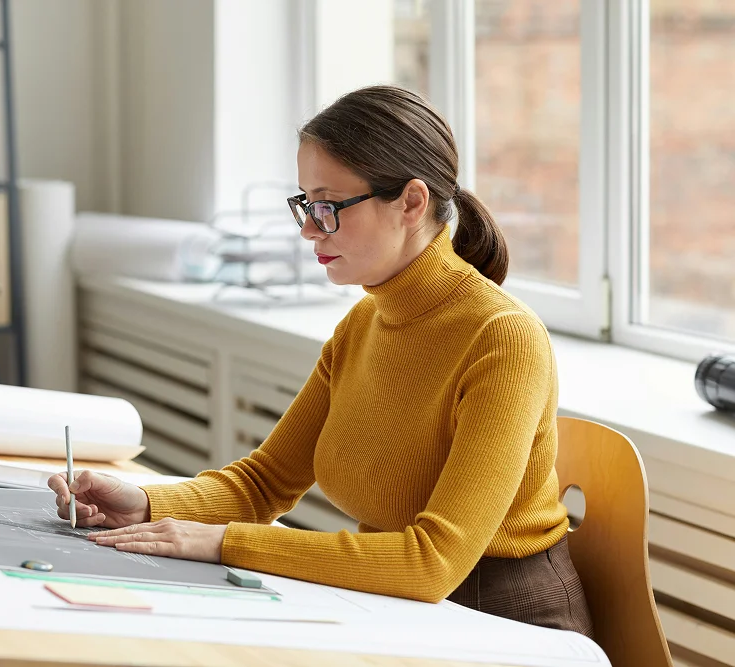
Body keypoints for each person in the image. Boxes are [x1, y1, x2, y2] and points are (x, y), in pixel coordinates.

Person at [49, 85, 594, 637]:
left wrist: (221, 543)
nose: (309, 229)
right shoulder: (364, 324)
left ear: (411, 202)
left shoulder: (503, 339)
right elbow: (262, 486)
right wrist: (144, 503)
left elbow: (432, 564)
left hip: (504, 624)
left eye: (329, 206)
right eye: (305, 205)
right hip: (398, 608)